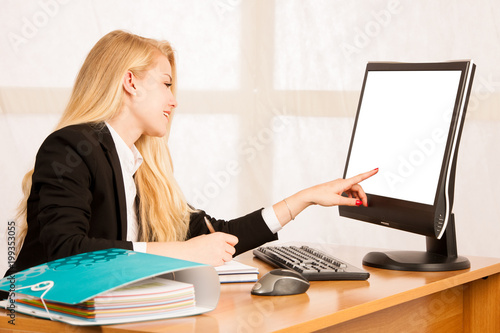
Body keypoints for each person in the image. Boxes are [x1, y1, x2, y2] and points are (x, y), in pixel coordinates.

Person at [6, 30, 378, 276]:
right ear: (130, 82)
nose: (174, 100)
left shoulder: (140, 168)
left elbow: (219, 235)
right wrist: (182, 253)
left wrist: (305, 199)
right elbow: (67, 250)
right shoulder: (71, 147)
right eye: (166, 84)